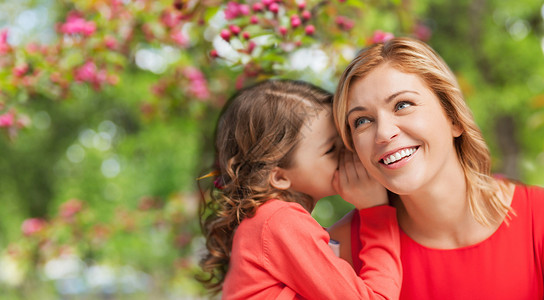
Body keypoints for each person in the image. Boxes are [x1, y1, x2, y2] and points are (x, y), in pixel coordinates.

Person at [329, 36, 544, 299]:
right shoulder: (341, 246)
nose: (383, 133)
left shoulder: (538, 218)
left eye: (402, 105)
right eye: (361, 121)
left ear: (453, 117)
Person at [198, 79, 402, 299]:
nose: (348, 152)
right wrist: (376, 211)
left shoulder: (265, 222)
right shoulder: (279, 220)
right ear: (278, 176)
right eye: (331, 148)